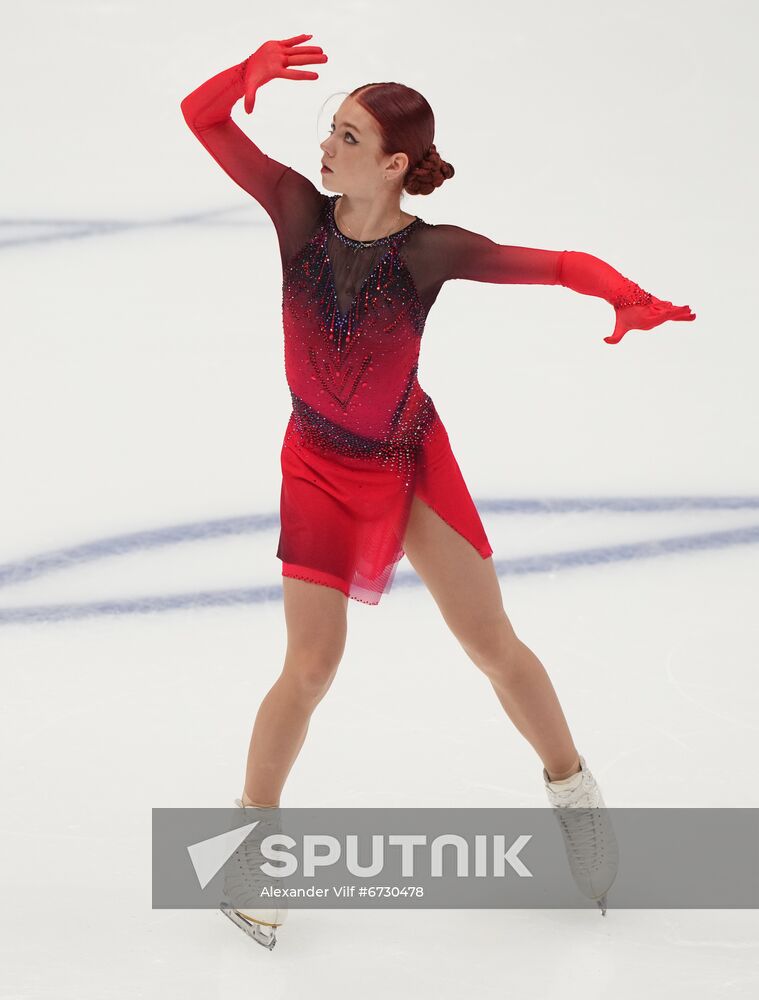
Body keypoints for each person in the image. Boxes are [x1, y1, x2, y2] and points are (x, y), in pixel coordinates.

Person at [181, 33, 695, 945]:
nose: (324, 147)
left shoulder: (431, 252)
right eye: (328, 128)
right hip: (317, 464)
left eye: (345, 136)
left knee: (491, 641)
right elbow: (203, 117)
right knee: (309, 667)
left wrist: (624, 294)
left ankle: (572, 791)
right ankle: (250, 846)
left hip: (410, 456)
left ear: (393, 164)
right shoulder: (296, 208)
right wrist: (245, 73)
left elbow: (560, 265)